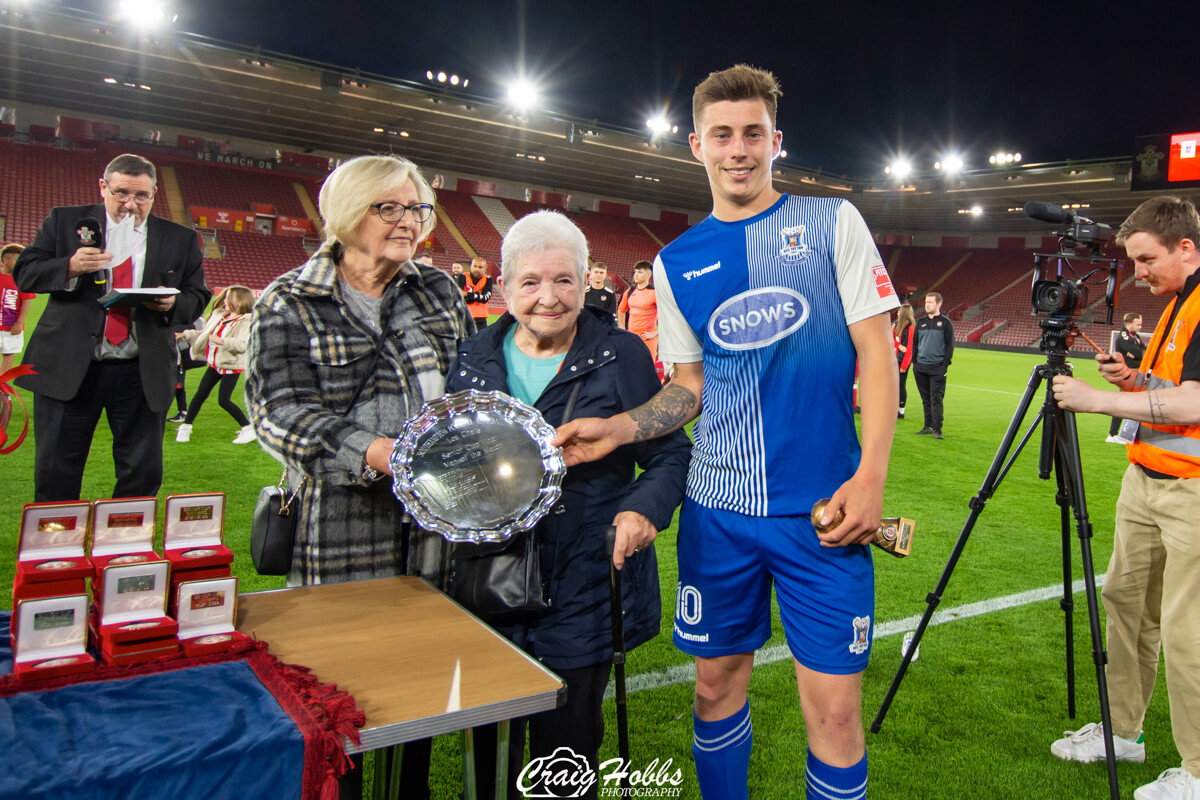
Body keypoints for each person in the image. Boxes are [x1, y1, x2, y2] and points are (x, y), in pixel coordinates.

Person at [554, 64, 899, 800]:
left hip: (825, 515)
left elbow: (876, 350)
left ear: (777, 141)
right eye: (722, 134)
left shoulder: (833, 221)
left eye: (753, 133)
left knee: (835, 715)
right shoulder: (678, 262)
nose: (738, 148)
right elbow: (689, 388)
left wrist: (871, 477)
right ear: (695, 145)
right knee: (713, 692)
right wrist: (618, 429)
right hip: (719, 514)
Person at [244, 154, 473, 800]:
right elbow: (278, 415)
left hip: (434, 525)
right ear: (349, 214)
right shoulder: (289, 300)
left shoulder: (439, 291)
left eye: (418, 209)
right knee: (338, 697)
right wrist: (376, 452)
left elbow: (463, 392)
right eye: (391, 208)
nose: (410, 223)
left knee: (424, 682)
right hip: (337, 527)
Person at [448, 210, 690, 800]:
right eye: (530, 282)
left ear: (587, 283)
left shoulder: (621, 353)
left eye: (564, 281)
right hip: (488, 580)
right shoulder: (470, 357)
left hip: (584, 579)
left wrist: (640, 513)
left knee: (566, 754)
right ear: (504, 286)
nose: (548, 298)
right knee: (489, 748)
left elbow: (668, 455)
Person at [1050, 195, 1200, 800]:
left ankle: (1197, 773)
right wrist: (1134, 381)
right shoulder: (1177, 305)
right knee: (1126, 603)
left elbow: (1196, 402)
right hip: (1147, 480)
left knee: (1189, 630)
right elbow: (1173, 390)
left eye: (1145, 259)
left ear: (1185, 248)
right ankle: (1122, 733)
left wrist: (1103, 400)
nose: (1137, 273)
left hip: (1192, 492)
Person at [12, 153, 209, 501]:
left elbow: (197, 295)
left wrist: (173, 303)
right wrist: (69, 266)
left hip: (140, 371)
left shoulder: (180, 238)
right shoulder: (65, 221)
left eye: (141, 196)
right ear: (103, 187)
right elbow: (25, 272)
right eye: (121, 193)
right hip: (71, 367)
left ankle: (125, 549)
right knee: (56, 472)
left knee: (142, 474)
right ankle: (56, 552)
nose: (130, 204)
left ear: (154, 193)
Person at [175, 285, 255, 444]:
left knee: (224, 400)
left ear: (239, 301)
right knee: (199, 395)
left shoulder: (246, 321)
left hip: (230, 365)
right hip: (215, 363)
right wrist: (185, 335)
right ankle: (186, 427)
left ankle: (248, 428)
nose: (225, 302)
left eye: (228, 299)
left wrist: (223, 341)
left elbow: (243, 344)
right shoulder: (221, 316)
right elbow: (205, 335)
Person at [913, 291, 954, 439]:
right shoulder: (921, 322)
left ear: (938, 304)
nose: (927, 305)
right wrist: (915, 363)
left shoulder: (945, 323)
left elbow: (950, 345)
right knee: (925, 399)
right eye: (926, 302)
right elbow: (915, 344)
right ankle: (928, 426)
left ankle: (937, 429)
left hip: (937, 367)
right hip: (921, 367)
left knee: (936, 398)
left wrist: (945, 365)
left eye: (930, 302)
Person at [1107, 312, 1147, 443]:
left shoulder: (1135, 337)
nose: (1140, 327)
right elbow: (1138, 352)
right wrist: (1137, 355)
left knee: (1133, 404)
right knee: (1122, 404)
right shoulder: (1124, 337)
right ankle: (1113, 434)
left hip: (1135, 373)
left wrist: (1139, 355)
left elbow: (1144, 351)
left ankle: (1124, 434)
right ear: (1128, 324)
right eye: (1138, 324)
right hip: (1127, 374)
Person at [1, 243, 34, 375]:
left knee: (8, 354)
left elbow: (26, 303)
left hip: (11, 326)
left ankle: (1, 386)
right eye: (17, 260)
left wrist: (20, 322)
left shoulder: (21, 280)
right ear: (5, 260)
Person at [618, 260, 658, 361]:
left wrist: (656, 333)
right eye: (636, 272)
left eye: (640, 272)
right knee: (630, 368)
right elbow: (621, 310)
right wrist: (623, 329)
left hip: (647, 340)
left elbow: (667, 314)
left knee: (646, 370)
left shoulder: (654, 293)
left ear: (649, 274)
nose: (636, 275)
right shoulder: (629, 292)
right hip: (631, 339)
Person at [894, 302, 916, 419]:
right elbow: (890, 339)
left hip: (903, 361)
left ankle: (901, 410)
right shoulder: (896, 325)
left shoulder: (911, 327)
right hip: (894, 360)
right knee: (893, 385)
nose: (897, 313)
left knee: (901, 385)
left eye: (899, 312)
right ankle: (893, 408)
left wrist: (905, 365)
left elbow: (910, 349)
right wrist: (898, 345)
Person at [464, 256, 494, 330]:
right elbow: (461, 298)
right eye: (475, 266)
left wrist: (467, 294)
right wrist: (478, 295)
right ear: (471, 266)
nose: (477, 269)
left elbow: (485, 299)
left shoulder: (488, 280)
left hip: (480, 319)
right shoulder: (462, 277)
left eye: (480, 267)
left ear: (485, 268)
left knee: (483, 340)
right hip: (464, 317)